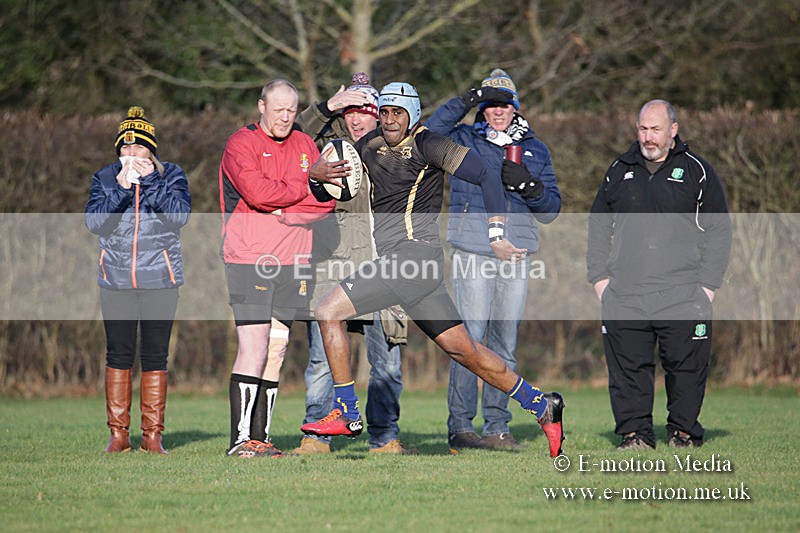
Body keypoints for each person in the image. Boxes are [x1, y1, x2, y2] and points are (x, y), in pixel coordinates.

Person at [303, 82, 565, 458]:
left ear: (412, 114)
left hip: (413, 259)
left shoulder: (429, 144)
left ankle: (345, 411)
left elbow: (488, 177)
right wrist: (317, 177)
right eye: (385, 112)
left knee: (328, 312)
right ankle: (543, 405)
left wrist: (495, 235)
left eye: (398, 113)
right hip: (414, 268)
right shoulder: (369, 145)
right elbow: (333, 192)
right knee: (466, 352)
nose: (390, 120)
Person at [426, 69, 562, 451]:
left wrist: (527, 185)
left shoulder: (535, 147)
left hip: (517, 254)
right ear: (483, 108)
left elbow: (551, 208)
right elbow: (429, 130)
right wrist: (469, 97)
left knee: (505, 344)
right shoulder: (463, 138)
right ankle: (461, 427)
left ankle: (497, 427)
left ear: (515, 107)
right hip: (472, 250)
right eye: (490, 104)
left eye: (504, 103)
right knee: (467, 342)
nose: (498, 110)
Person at [587, 99, 732, 450]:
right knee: (628, 372)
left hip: (683, 292)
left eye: (655, 129)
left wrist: (708, 286)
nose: (648, 137)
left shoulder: (698, 171)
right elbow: (597, 227)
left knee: (685, 370)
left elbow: (720, 230)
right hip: (625, 292)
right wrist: (599, 280)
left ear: (673, 131)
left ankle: (683, 433)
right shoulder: (618, 169)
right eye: (642, 129)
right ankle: (635, 434)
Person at [294, 72, 411, 455]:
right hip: (332, 266)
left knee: (387, 363)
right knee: (321, 362)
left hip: (382, 268)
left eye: (366, 110)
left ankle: (385, 437)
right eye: (351, 110)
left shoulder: (398, 150)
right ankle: (317, 437)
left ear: (381, 115)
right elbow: (292, 138)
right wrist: (327, 107)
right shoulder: (328, 148)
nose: (358, 118)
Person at [218, 79, 335, 458]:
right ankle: (239, 441)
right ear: (261, 107)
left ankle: (261, 437)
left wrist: (286, 211)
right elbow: (258, 193)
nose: (285, 117)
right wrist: (305, 183)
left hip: (295, 260)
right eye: (278, 109)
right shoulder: (242, 143)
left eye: (291, 109)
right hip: (250, 258)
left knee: (278, 349)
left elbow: (326, 201)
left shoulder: (304, 143)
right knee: (253, 346)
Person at [85, 105, 191, 454]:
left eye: (138, 148)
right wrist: (119, 188)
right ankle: (118, 435)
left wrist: (149, 183)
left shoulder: (171, 174)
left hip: (160, 279)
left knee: (155, 355)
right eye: (125, 149)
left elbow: (179, 217)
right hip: (114, 279)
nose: (131, 154)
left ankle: (152, 436)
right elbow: (95, 223)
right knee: (118, 354)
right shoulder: (104, 177)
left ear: (151, 150)